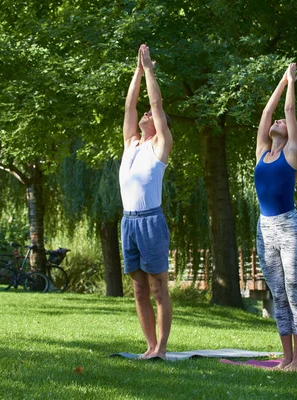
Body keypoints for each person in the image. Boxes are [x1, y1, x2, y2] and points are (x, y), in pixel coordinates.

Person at [119, 44, 173, 360]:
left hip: (151, 220)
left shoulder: (160, 146)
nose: (146, 113)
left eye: (152, 115)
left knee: (158, 289)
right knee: (139, 290)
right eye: (146, 113)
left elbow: (155, 100)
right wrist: (137, 72)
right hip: (129, 222)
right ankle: (149, 346)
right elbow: (130, 106)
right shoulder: (131, 144)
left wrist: (150, 69)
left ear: (162, 124)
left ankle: (162, 349)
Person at [254, 63, 297, 371]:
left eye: (282, 123)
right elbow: (267, 112)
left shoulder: (292, 152)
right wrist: (279, 80)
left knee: (293, 292)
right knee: (278, 294)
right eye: (275, 122)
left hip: (289, 229)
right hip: (265, 229)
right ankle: (285, 357)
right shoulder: (263, 152)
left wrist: (290, 82)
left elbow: (288, 109)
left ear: (289, 134)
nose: (276, 121)